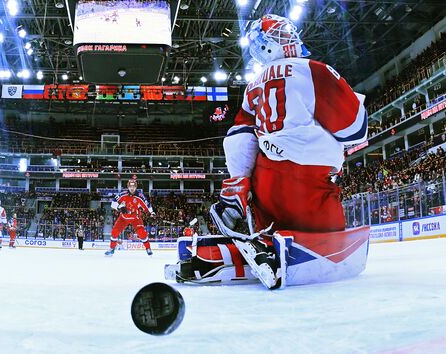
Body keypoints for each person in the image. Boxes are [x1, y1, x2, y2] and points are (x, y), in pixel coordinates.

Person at [172, 14, 370, 289]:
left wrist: (238, 182)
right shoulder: (314, 70)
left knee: (269, 231)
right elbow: (355, 130)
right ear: (281, 39)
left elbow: (238, 137)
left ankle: (210, 257)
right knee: (332, 241)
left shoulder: (253, 85)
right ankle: (279, 253)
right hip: (310, 182)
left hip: (264, 184)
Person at [105, 178, 156, 256]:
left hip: (135, 218)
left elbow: (147, 205)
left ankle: (148, 248)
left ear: (136, 187)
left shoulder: (140, 196)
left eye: (133, 187)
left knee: (142, 234)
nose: (132, 188)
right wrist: (119, 207)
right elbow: (113, 203)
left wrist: (151, 212)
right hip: (123, 218)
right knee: (114, 232)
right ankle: (111, 248)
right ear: (128, 187)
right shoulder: (122, 194)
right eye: (130, 186)